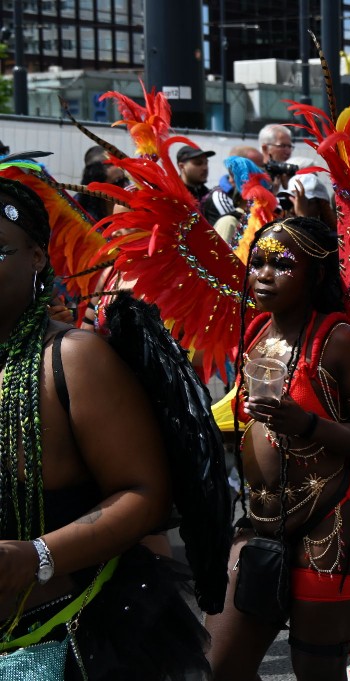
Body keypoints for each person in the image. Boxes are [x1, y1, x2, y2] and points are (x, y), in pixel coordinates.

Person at [0, 176, 210, 678]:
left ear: (35, 258)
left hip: (65, 633)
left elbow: (143, 494)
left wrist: (37, 556)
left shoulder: (73, 359)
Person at [206, 216, 350, 680]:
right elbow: (245, 424)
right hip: (262, 520)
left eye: (283, 264)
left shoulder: (339, 340)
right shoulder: (254, 335)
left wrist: (308, 423)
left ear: (317, 274)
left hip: (331, 522)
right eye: (259, 263)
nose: (264, 275)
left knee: (316, 672)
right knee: (219, 666)